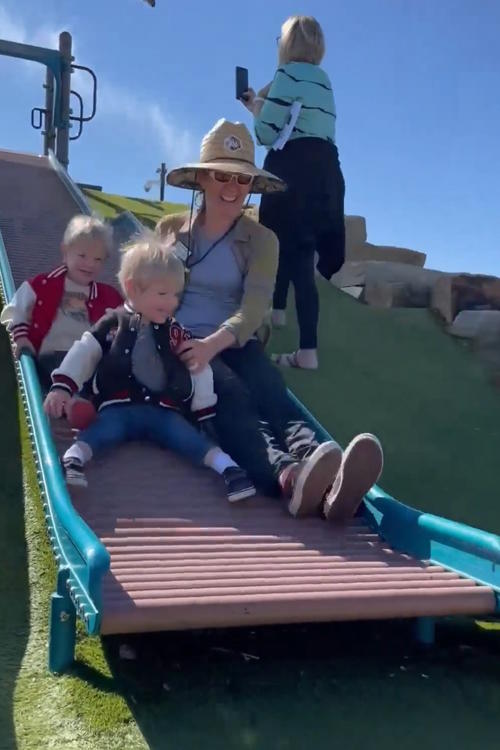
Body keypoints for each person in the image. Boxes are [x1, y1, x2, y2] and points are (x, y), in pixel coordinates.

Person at [157, 118, 383, 519]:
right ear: (203, 179)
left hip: (231, 339)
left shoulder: (262, 240)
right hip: (182, 345)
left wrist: (215, 344)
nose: (231, 188)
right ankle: (290, 476)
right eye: (222, 176)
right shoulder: (173, 230)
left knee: (268, 386)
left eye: (242, 180)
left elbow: (255, 305)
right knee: (232, 398)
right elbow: (147, 285)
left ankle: (326, 474)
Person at [43, 236, 256, 503]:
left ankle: (229, 469)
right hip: (119, 405)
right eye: (163, 294)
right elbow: (85, 351)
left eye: (176, 295)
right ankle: (75, 458)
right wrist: (62, 386)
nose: (172, 303)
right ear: (133, 289)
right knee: (104, 430)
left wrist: (203, 411)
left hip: (162, 408)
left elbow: (197, 366)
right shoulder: (113, 322)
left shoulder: (174, 331)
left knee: (186, 437)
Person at [241, 15, 346, 371]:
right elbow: (298, 112)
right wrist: (262, 100)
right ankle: (288, 322)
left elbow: (267, 133)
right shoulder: (324, 80)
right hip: (326, 173)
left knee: (273, 242)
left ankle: (296, 342)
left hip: (293, 170)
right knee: (302, 252)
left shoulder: (286, 76)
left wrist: (256, 108)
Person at [1, 214, 123, 427]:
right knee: (60, 370)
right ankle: (70, 404)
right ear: (65, 252)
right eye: (82, 255)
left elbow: (124, 320)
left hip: (87, 357)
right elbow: (15, 311)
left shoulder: (108, 296)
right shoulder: (41, 285)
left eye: (98, 259)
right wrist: (21, 338)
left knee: (102, 375)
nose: (89, 264)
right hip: (54, 352)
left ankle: (88, 404)